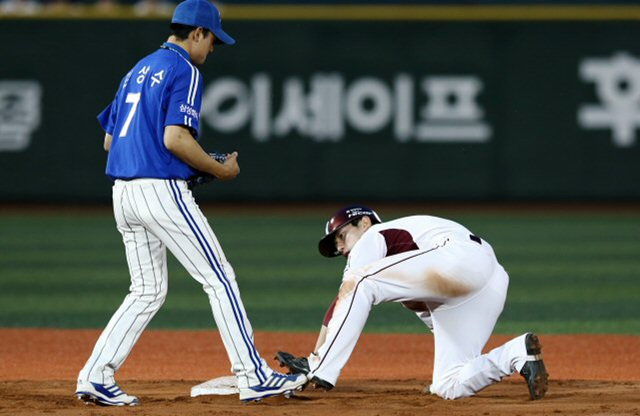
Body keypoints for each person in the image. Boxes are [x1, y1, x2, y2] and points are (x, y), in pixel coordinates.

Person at [75, 0, 307, 406]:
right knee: (220, 278)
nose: (213, 48)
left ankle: (96, 375)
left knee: (146, 291)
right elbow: (174, 139)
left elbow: (110, 140)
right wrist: (220, 170)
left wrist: (182, 160)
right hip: (159, 192)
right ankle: (253, 375)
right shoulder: (184, 69)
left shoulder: (136, 69)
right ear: (197, 33)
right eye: (213, 39)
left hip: (122, 193)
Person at [276, 205, 548, 400]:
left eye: (341, 236)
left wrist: (314, 358)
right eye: (336, 247)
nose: (341, 248)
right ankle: (516, 353)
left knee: (359, 282)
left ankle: (322, 367)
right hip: (488, 283)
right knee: (448, 385)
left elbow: (344, 298)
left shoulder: (373, 235)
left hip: (458, 258)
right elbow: (433, 317)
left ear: (364, 223)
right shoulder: (404, 265)